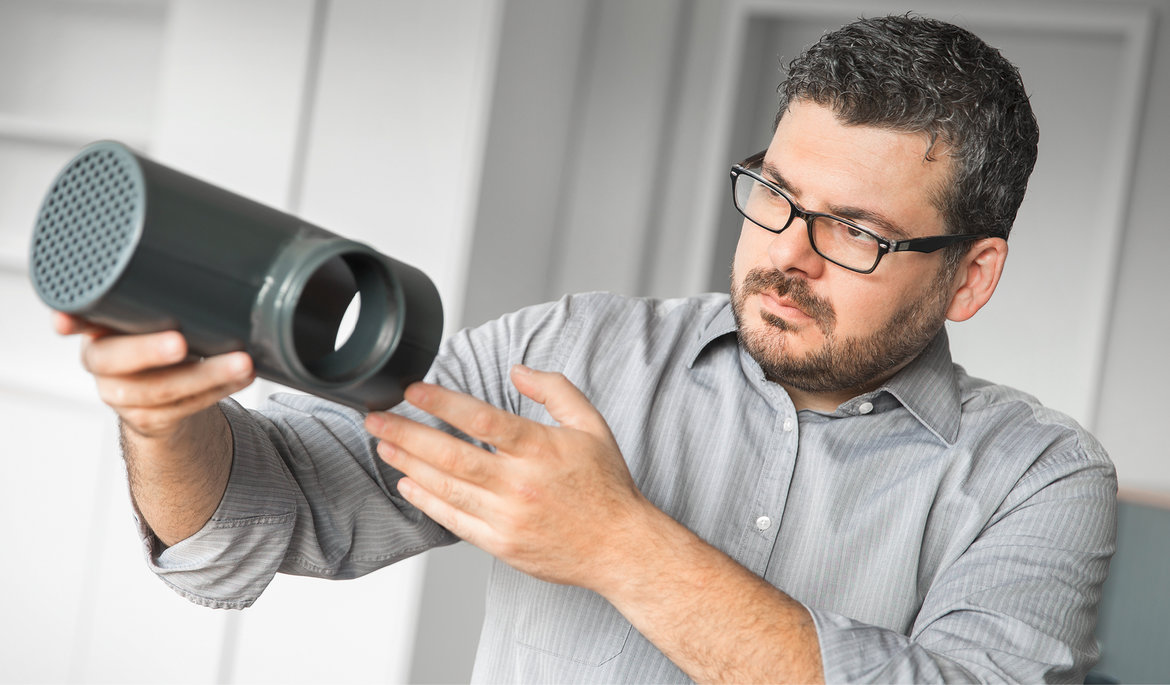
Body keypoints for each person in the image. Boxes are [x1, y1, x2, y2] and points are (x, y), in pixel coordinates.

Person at [55, 14, 1115, 684]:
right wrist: (168, 421)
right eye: (778, 197)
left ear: (969, 274)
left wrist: (616, 543)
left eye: (858, 232)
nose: (787, 254)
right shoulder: (568, 351)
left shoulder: (1040, 479)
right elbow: (254, 523)